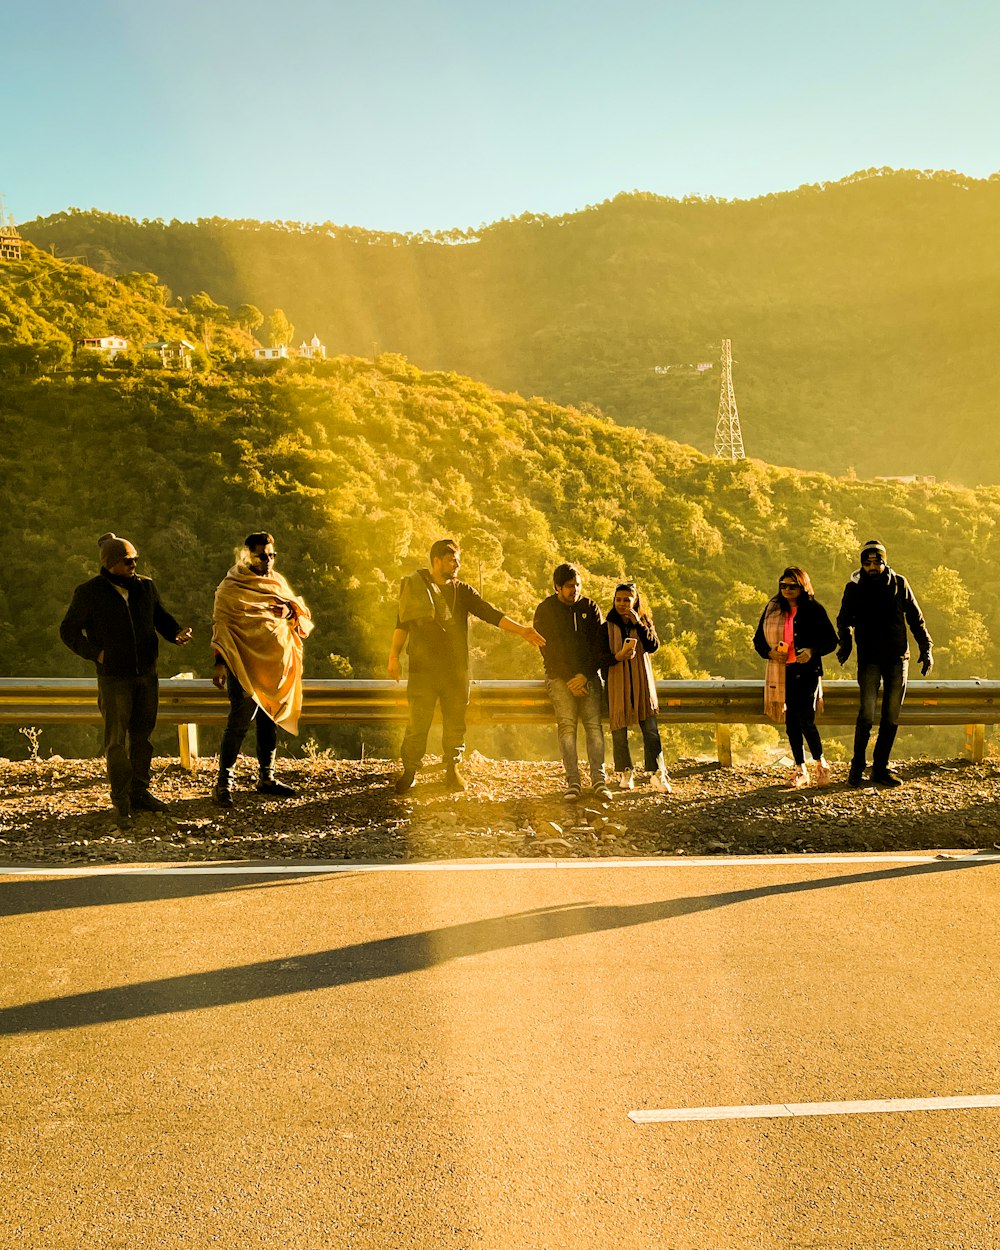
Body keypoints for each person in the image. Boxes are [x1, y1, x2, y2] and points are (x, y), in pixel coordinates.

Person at [388, 538, 545, 794]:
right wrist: (393, 656)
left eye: (458, 559)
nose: (457, 564)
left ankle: (452, 769)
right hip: (421, 669)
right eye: (452, 560)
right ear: (436, 561)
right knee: (417, 723)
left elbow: (490, 613)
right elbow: (402, 623)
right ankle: (411, 771)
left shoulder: (464, 591)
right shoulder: (416, 587)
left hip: (455, 669)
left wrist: (522, 631)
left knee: (455, 722)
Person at [60, 533, 193, 827]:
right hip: (114, 679)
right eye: (127, 561)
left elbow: (160, 617)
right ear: (110, 564)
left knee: (143, 738)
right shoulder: (89, 593)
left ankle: (140, 793)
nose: (134, 565)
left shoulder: (146, 587)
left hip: (146, 674)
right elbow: (68, 631)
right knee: (117, 743)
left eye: (135, 560)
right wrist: (97, 654)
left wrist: (175, 634)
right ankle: (121, 801)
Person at [211, 532, 313, 807]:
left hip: (275, 665)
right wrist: (220, 664)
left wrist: (289, 614)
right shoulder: (231, 587)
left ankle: (266, 777)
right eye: (262, 555)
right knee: (239, 723)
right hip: (243, 664)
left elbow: (297, 611)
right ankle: (224, 782)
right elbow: (223, 627)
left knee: (271, 720)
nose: (268, 561)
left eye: (271, 555)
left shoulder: (276, 581)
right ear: (247, 555)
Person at [836, 539, 932, 788]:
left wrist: (926, 648)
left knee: (891, 717)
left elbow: (916, 619)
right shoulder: (854, 588)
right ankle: (856, 769)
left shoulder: (899, 584)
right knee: (866, 716)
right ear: (862, 564)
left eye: (877, 561)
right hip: (869, 660)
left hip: (898, 659)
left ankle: (880, 769)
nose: (872, 566)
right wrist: (845, 644)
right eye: (867, 562)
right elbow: (844, 619)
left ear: (884, 561)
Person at [753, 566, 838, 788]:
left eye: (792, 586)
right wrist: (768, 653)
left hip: (807, 672)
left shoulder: (814, 609)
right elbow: (758, 640)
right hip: (782, 671)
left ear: (803, 586)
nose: (787, 590)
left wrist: (811, 651)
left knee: (806, 720)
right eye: (783, 586)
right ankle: (800, 769)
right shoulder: (772, 609)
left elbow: (831, 641)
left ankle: (821, 763)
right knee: (791, 722)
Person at [534, 563, 611, 803]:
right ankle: (573, 783)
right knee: (567, 728)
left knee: (594, 727)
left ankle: (599, 781)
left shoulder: (590, 607)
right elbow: (547, 649)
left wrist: (585, 675)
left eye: (577, 585)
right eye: (569, 586)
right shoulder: (545, 610)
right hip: (559, 678)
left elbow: (598, 645)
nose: (574, 590)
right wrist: (569, 678)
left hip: (587, 676)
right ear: (557, 587)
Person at [604, 582, 671, 792]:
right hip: (617, 682)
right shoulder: (606, 625)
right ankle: (626, 772)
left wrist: (638, 624)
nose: (622, 604)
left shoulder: (643, 622)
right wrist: (618, 656)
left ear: (635, 602)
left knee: (651, 730)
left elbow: (653, 646)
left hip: (642, 682)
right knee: (619, 730)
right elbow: (598, 656)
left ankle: (657, 773)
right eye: (619, 599)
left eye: (627, 600)